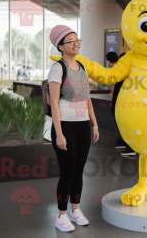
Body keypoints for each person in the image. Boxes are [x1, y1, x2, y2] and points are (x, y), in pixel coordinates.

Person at [48, 25, 99, 232]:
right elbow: (53, 103)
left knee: (79, 171)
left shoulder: (82, 68)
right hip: (65, 127)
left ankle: (75, 210)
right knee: (68, 171)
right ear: (60, 46)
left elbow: (87, 100)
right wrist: (59, 133)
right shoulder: (58, 68)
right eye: (71, 41)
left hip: (82, 126)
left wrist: (94, 124)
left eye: (78, 41)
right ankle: (61, 215)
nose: (76, 44)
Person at [111, 52, 136, 157]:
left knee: (127, 123)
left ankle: (131, 147)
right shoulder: (122, 71)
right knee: (119, 121)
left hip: (125, 103)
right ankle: (123, 141)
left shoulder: (131, 73)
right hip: (118, 101)